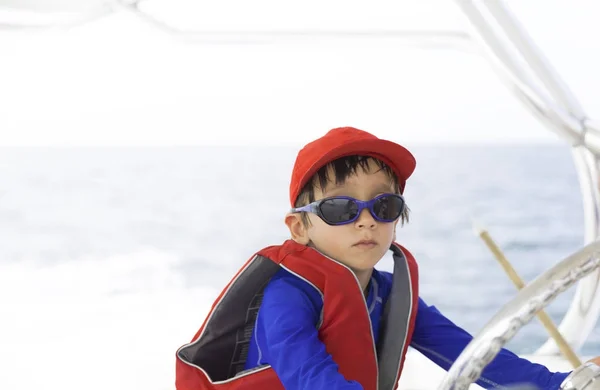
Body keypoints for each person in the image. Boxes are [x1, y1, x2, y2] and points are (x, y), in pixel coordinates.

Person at [175, 126, 593, 390]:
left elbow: (470, 354)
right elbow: (307, 376)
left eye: (384, 206)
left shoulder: (389, 294)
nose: (366, 222)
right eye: (341, 209)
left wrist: (558, 383)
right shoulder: (285, 296)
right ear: (299, 228)